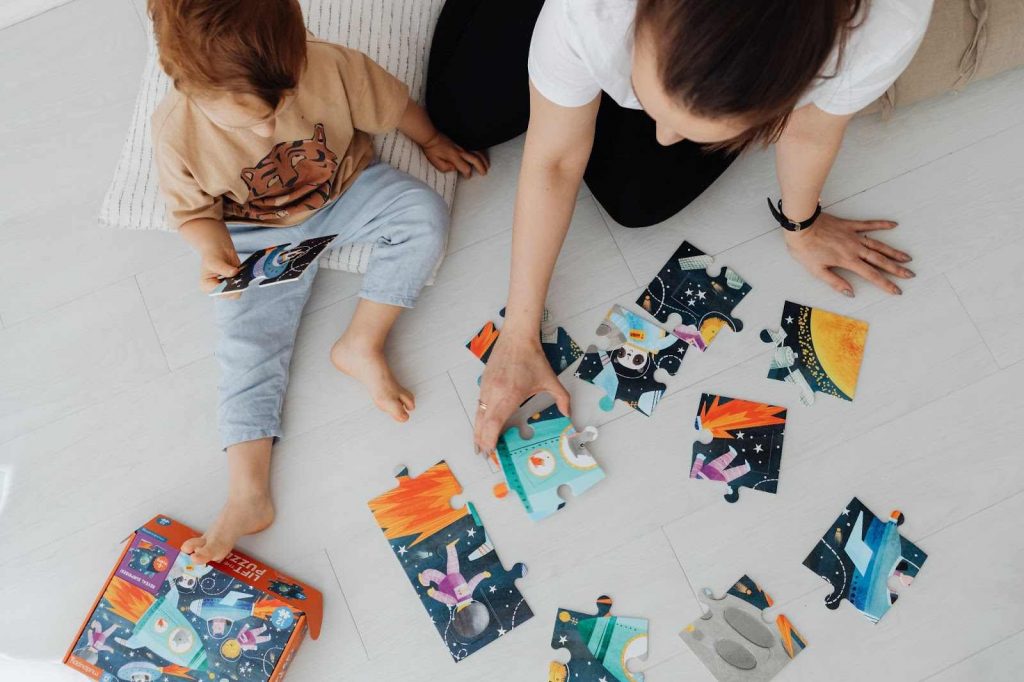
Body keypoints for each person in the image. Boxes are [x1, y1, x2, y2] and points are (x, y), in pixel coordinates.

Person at [426, 0, 930, 450]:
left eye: (697, 130)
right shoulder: (592, 10)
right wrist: (518, 335)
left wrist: (802, 224)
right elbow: (554, 162)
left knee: (638, 201)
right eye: (650, 100)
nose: (663, 137)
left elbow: (810, 132)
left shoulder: (884, 26)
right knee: (457, 115)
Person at [148, 0, 487, 563]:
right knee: (245, 344)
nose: (272, 123)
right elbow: (191, 212)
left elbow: (394, 104)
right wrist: (213, 250)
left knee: (423, 216)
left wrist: (428, 139)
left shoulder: (327, 65)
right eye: (252, 118)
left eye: (283, 101)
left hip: (348, 188)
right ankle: (248, 492)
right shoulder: (175, 131)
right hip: (252, 234)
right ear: (186, 86)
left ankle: (361, 342)